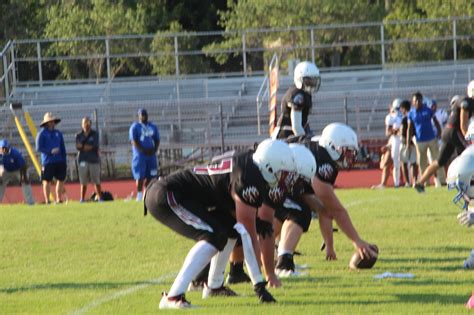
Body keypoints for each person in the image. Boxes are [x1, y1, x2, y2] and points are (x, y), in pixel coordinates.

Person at [145, 139, 296, 309]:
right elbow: (248, 236)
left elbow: (237, 223)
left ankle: (214, 286)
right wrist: (259, 284)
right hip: (167, 194)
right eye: (283, 172)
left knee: (229, 229)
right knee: (213, 236)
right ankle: (173, 297)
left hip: (184, 197)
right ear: (269, 167)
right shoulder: (248, 178)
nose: (286, 178)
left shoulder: (253, 167)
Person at [275, 123, 378, 275]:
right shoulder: (324, 161)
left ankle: (272, 258)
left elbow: (326, 210)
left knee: (296, 209)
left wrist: (330, 246)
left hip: (282, 178)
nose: (351, 157)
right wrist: (357, 241)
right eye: (347, 151)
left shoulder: (323, 153)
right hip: (274, 176)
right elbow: (337, 210)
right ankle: (283, 264)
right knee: (298, 211)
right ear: (332, 147)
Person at [414, 82, 474, 193]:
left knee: (439, 161)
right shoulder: (467, 102)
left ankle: (420, 182)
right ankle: (464, 182)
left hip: (449, 131)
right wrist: (468, 138)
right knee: (470, 154)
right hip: (454, 131)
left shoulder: (467, 101)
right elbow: (463, 125)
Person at [272, 61, 321, 139]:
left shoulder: (305, 93)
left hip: (294, 134)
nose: (312, 84)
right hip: (285, 136)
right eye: (309, 81)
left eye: (314, 80)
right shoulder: (298, 95)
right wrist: (305, 140)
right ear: (299, 79)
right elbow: (296, 127)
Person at [407, 92, 442, 191]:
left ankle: (440, 180)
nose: (418, 102)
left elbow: (435, 121)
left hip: (431, 138)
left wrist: (440, 132)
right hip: (420, 140)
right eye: (416, 100)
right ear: (413, 102)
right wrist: (408, 141)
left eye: (419, 100)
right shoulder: (411, 113)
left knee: (436, 160)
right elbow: (409, 128)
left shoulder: (428, 110)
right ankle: (424, 182)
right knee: (422, 163)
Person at [36, 112, 67, 204]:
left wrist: (64, 159)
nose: (52, 123)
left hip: (60, 161)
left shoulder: (58, 133)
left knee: (61, 179)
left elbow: (62, 147)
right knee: (46, 180)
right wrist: (50, 151)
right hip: (48, 161)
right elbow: (39, 148)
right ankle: (47, 200)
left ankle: (58, 198)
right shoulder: (41, 134)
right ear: (46, 123)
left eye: (53, 121)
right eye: (50, 121)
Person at [129, 108, 160, 201]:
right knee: (140, 176)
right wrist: (142, 150)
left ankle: (146, 194)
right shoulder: (135, 127)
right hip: (140, 155)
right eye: (142, 115)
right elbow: (133, 141)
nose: (143, 116)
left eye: (145, 114)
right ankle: (139, 195)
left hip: (151, 155)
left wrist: (154, 150)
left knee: (152, 176)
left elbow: (157, 139)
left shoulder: (152, 126)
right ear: (139, 116)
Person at [372, 99, 403, 188]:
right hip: (394, 141)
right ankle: (384, 184)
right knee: (387, 162)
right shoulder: (392, 117)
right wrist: (397, 131)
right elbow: (389, 132)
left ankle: (406, 182)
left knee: (405, 163)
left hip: (403, 141)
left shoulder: (403, 116)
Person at [76, 116, 102, 202]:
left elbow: (94, 146)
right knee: (83, 181)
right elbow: (78, 147)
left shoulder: (95, 134)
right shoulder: (78, 135)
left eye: (87, 123)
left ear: (90, 124)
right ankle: (82, 199)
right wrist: (86, 147)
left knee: (96, 180)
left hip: (94, 160)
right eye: (84, 123)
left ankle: (100, 198)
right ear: (82, 124)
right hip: (83, 160)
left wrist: (83, 147)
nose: (86, 125)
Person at [0, 139, 34, 205]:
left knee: (25, 181)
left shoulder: (15, 153)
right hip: (6, 171)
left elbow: (23, 165)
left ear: (8, 147)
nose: (3, 150)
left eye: (5, 148)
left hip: (18, 170)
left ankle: (30, 202)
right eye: (2, 148)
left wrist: (24, 176)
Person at [399, 100, 418, 186]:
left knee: (404, 162)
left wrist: (406, 143)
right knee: (413, 163)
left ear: (403, 109)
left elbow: (403, 131)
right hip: (414, 141)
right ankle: (414, 180)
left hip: (405, 142)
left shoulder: (404, 118)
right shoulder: (414, 116)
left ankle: (407, 182)